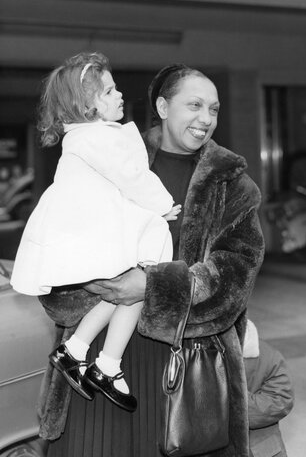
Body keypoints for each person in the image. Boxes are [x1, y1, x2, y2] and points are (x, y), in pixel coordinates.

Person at [36, 63, 265, 457]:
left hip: (184, 364)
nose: (205, 118)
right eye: (194, 105)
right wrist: (87, 279)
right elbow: (58, 244)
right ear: (162, 105)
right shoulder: (106, 155)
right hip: (95, 363)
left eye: (214, 109)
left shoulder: (232, 183)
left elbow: (234, 277)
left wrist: (152, 286)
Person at [11, 52, 180, 412]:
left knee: (122, 290)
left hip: (93, 228)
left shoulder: (85, 137)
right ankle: (104, 364)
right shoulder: (96, 138)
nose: (119, 95)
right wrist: (162, 205)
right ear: (87, 106)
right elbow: (131, 177)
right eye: (109, 92)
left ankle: (80, 352)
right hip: (93, 232)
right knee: (135, 283)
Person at [244, 319, 294, 457]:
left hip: (258, 449)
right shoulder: (188, 354)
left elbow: (281, 400)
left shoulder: (266, 355)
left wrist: (233, 402)